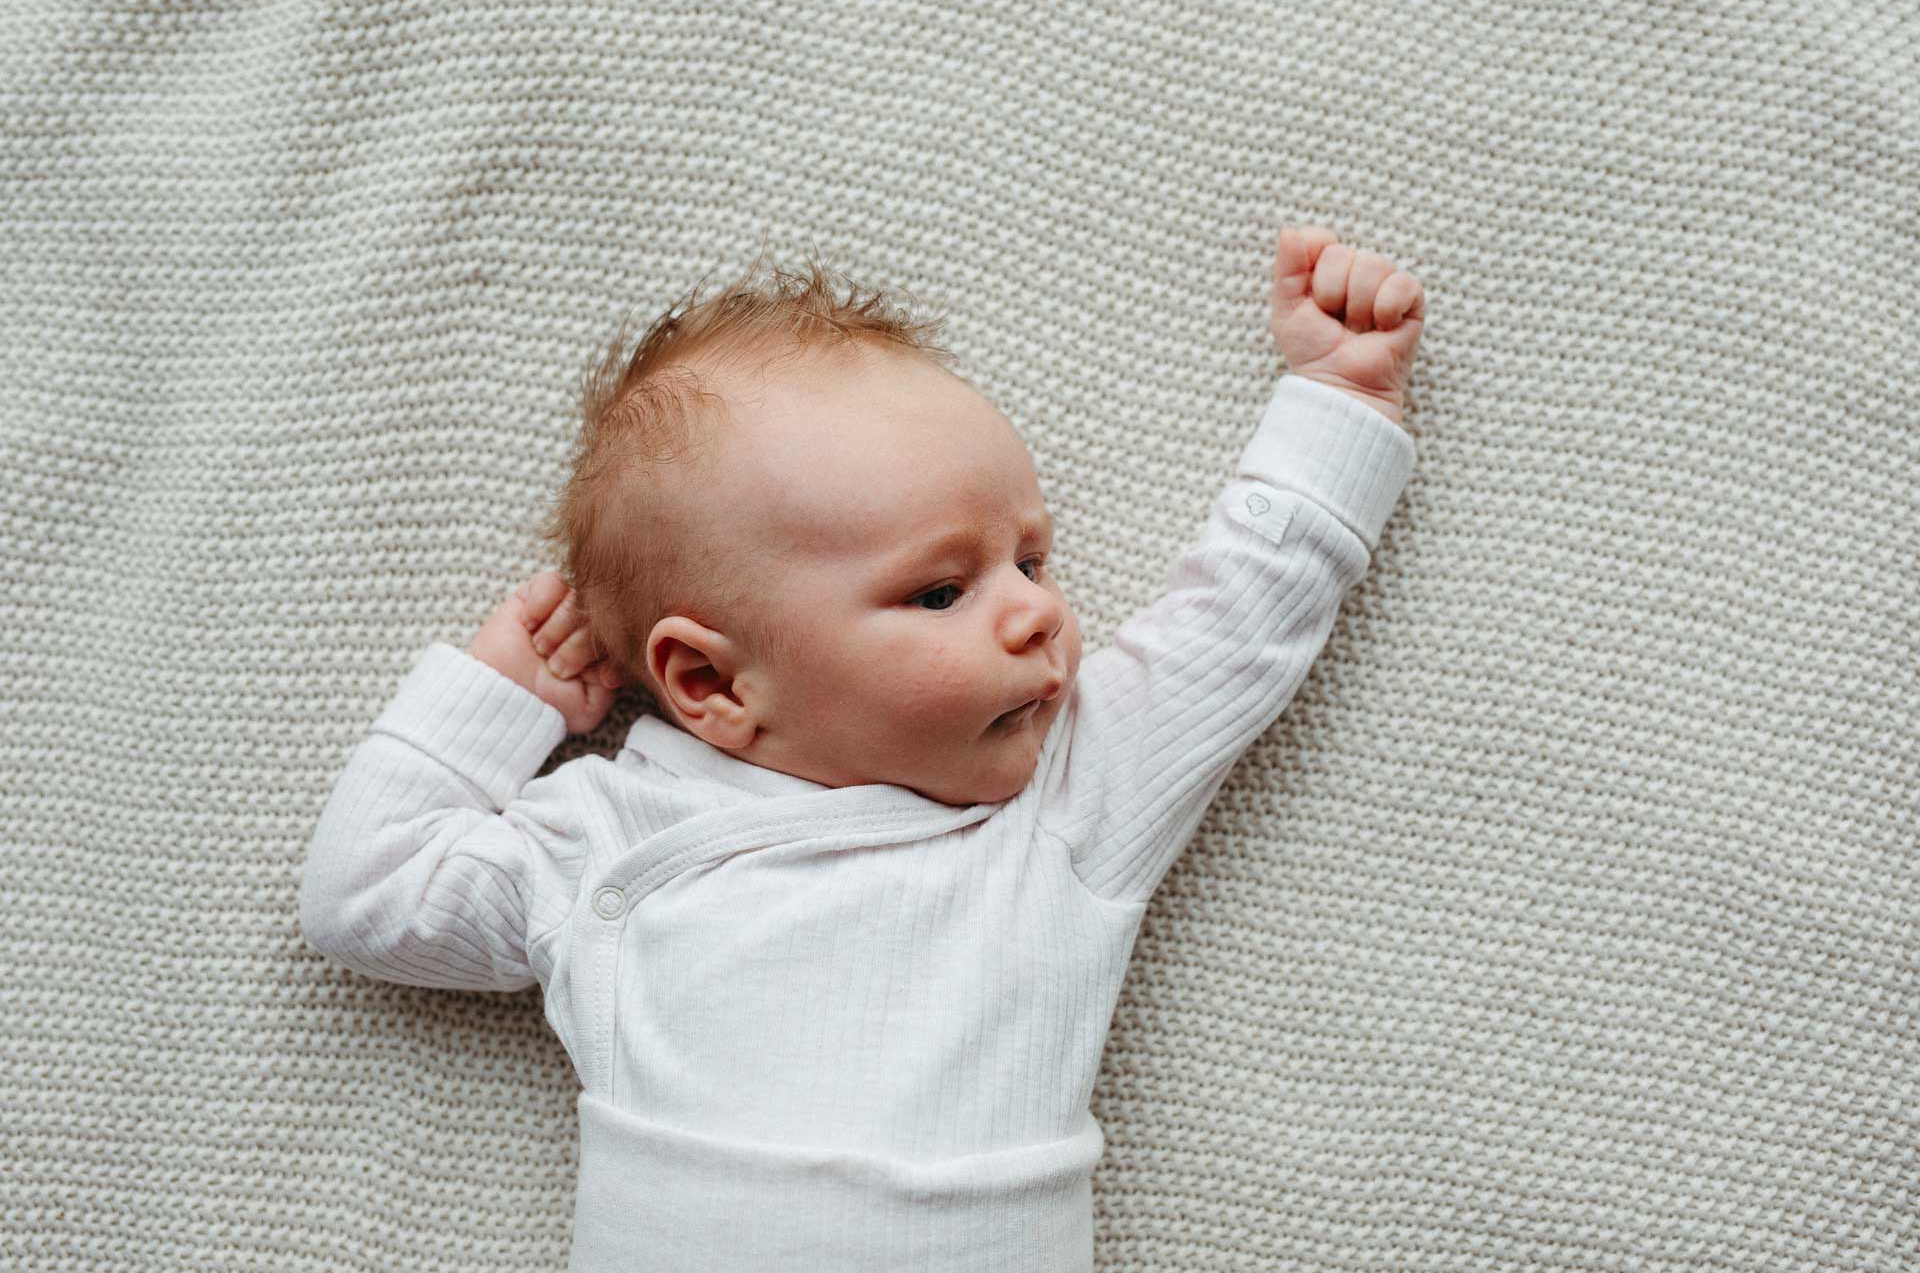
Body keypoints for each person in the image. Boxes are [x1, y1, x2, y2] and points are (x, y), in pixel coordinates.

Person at [299, 227, 1425, 1271]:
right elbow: (371, 895)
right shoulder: (610, 839)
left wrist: (1342, 398)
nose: (1033, 613)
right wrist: (503, 697)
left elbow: (1233, 630)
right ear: (711, 682)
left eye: (1031, 560)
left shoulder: (1064, 791)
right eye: (943, 588)